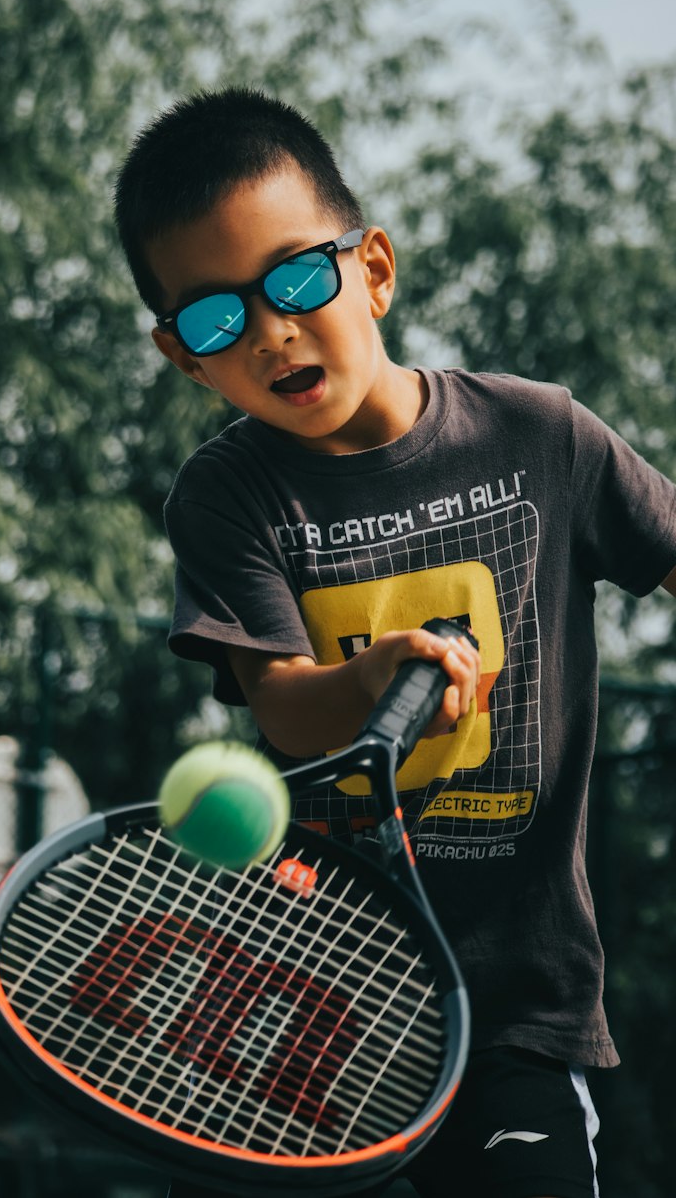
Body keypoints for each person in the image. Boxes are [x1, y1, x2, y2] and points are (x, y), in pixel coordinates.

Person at [113, 86, 676, 1198]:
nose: (271, 330)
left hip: (519, 1002)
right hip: (312, 999)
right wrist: (370, 677)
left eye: (294, 279)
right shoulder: (225, 497)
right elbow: (279, 699)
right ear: (185, 356)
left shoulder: (543, 434)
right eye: (219, 318)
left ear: (370, 269)